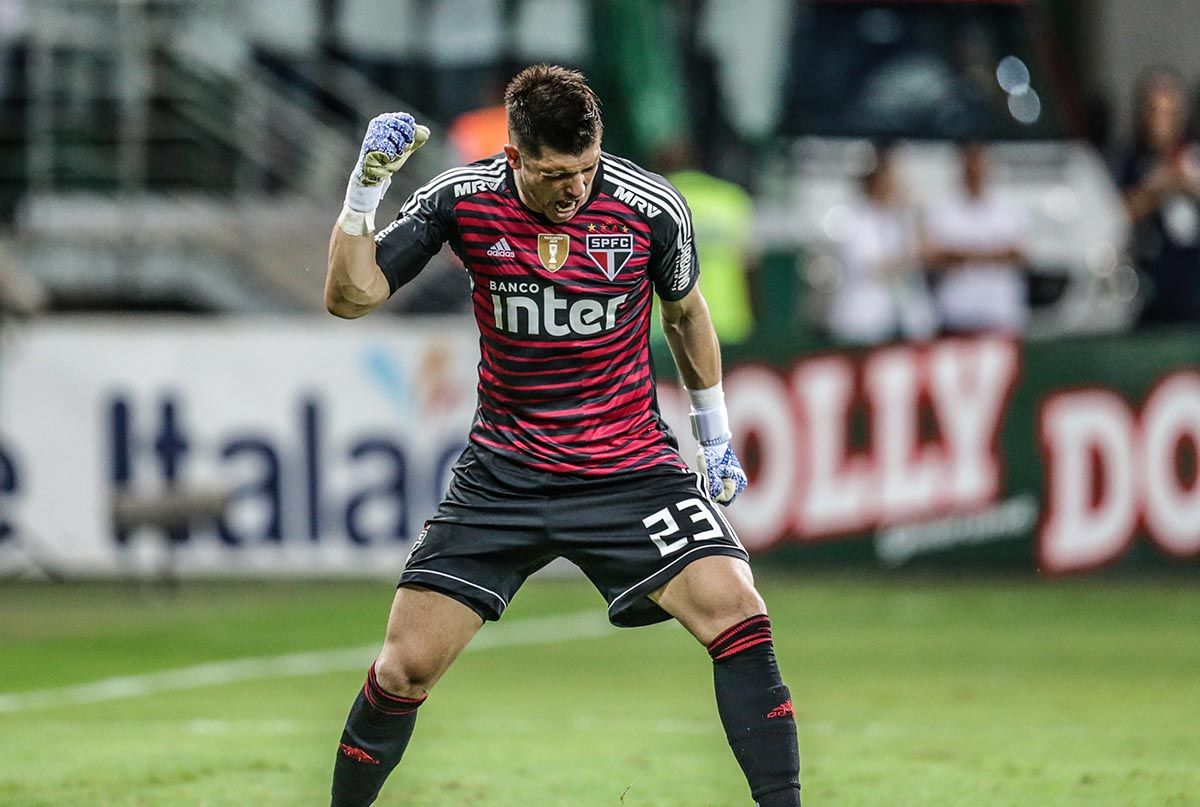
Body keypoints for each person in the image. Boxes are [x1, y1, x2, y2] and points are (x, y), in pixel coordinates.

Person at [324, 65, 802, 807]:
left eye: (585, 170)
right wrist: (365, 189)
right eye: (553, 174)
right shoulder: (462, 199)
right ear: (513, 156)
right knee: (401, 670)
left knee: (739, 611)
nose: (574, 189)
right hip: (502, 478)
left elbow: (686, 314)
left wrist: (714, 436)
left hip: (628, 469)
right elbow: (350, 297)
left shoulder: (648, 207)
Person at [827, 143, 936, 344]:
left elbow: (927, 250)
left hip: (894, 321)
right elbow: (866, 265)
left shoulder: (897, 217)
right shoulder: (853, 217)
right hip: (860, 321)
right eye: (892, 175)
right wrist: (910, 255)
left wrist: (914, 214)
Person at [1118, 68, 1200, 325]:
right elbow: (1119, 213)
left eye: (1170, 113)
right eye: (1154, 112)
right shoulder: (1131, 161)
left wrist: (1186, 184)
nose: (1162, 122)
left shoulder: (1192, 155)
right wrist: (1156, 191)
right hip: (1150, 284)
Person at [921, 141, 1028, 336]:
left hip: (999, 313)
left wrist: (964, 253)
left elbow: (1019, 253)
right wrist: (989, 253)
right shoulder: (943, 209)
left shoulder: (1007, 207)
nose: (976, 171)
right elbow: (931, 254)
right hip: (957, 312)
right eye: (971, 165)